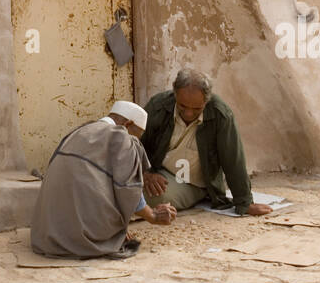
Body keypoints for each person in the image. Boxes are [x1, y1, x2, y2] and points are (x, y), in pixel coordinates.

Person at [30, 99, 177, 259]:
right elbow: (129, 189)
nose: (137, 140)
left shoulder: (77, 132)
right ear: (128, 124)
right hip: (83, 237)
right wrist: (153, 216)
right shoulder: (122, 137)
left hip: (46, 235)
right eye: (138, 134)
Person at [141, 67, 273, 217]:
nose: (189, 114)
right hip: (158, 170)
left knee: (153, 197)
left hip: (191, 181)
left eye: (197, 109)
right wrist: (145, 172)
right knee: (122, 187)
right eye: (182, 106)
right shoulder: (159, 105)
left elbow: (233, 159)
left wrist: (244, 202)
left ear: (206, 100)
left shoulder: (220, 115)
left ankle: (201, 194)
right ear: (175, 94)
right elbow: (136, 143)